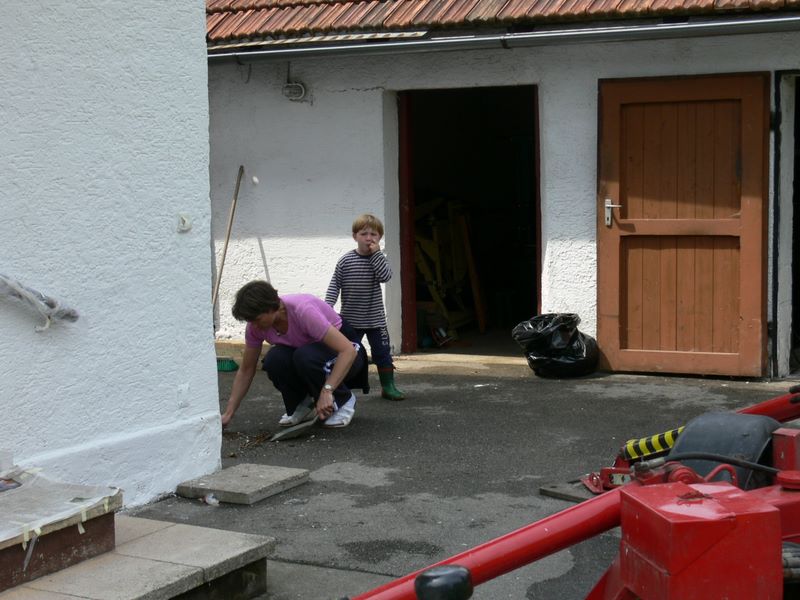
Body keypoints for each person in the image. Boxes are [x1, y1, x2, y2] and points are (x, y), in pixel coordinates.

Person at [220, 280, 366, 429]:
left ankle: (343, 400)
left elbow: (348, 351)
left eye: (257, 319)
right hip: (310, 356)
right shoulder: (255, 327)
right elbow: (246, 369)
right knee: (274, 359)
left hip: (348, 354)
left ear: (271, 308)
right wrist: (228, 413)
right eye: (250, 321)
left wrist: (326, 390)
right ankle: (301, 403)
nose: (254, 325)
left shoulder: (303, 310)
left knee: (305, 356)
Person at [325, 213, 405, 401]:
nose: (369, 238)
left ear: (379, 237)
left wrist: (377, 254)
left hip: (375, 320)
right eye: (363, 234)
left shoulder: (379, 259)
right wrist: (327, 308)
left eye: (373, 234)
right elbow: (334, 285)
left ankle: (388, 386)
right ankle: (340, 387)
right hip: (350, 321)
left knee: (382, 353)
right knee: (347, 353)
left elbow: (385, 277)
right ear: (355, 236)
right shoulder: (345, 261)